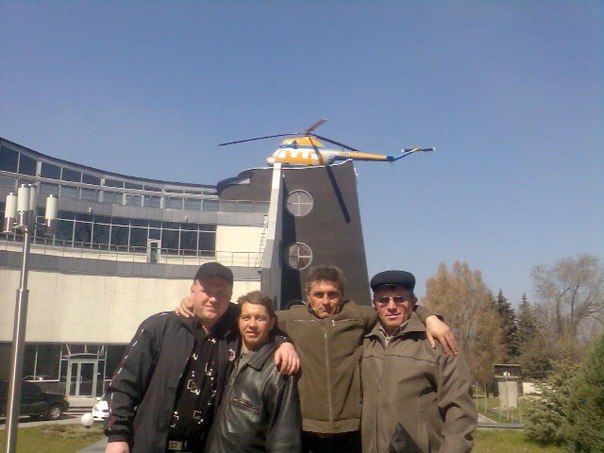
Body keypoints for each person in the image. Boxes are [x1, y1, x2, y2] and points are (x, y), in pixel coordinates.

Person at [178, 265, 456, 453]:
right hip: (306, 430)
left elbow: (396, 306)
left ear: (342, 296)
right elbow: (253, 314)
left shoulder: (358, 316)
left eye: (332, 295)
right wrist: (194, 302)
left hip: (351, 430)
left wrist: (430, 317)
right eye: (318, 295)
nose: (325, 301)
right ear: (308, 296)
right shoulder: (293, 318)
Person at [104, 262, 299, 453]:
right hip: (150, 444)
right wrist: (117, 436)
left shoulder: (232, 333)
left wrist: (284, 342)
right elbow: (124, 383)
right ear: (192, 290)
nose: (213, 298)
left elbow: (261, 322)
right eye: (206, 291)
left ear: (229, 297)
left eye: (221, 293)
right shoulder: (159, 327)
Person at [361, 270, 477, 453]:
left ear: (413, 301)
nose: (391, 306)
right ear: (374, 303)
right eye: (383, 300)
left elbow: (460, 411)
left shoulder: (438, 342)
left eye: (399, 299)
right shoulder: (365, 341)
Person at [205, 290, 302, 452]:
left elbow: (285, 436)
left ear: (271, 323)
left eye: (260, 318)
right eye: (246, 317)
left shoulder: (278, 368)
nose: (252, 324)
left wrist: (285, 343)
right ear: (238, 321)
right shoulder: (227, 353)